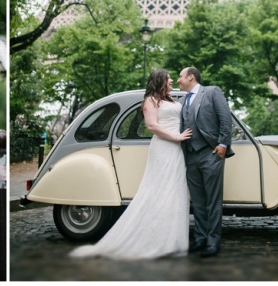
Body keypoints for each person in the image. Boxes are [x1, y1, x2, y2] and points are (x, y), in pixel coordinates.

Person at [70, 69, 192, 260]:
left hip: (176, 150)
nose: (171, 82)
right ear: (160, 81)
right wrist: (176, 136)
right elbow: (152, 126)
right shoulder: (150, 100)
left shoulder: (171, 100)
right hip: (164, 147)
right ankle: (155, 238)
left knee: (174, 190)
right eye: (168, 80)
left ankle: (171, 239)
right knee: (159, 190)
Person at [177, 66, 234, 258]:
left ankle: (213, 241)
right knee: (199, 202)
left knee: (213, 200)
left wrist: (223, 144)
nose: (178, 80)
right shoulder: (184, 100)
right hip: (191, 156)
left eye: (180, 77)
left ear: (191, 77)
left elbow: (225, 119)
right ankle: (200, 239)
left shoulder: (212, 92)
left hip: (211, 153)